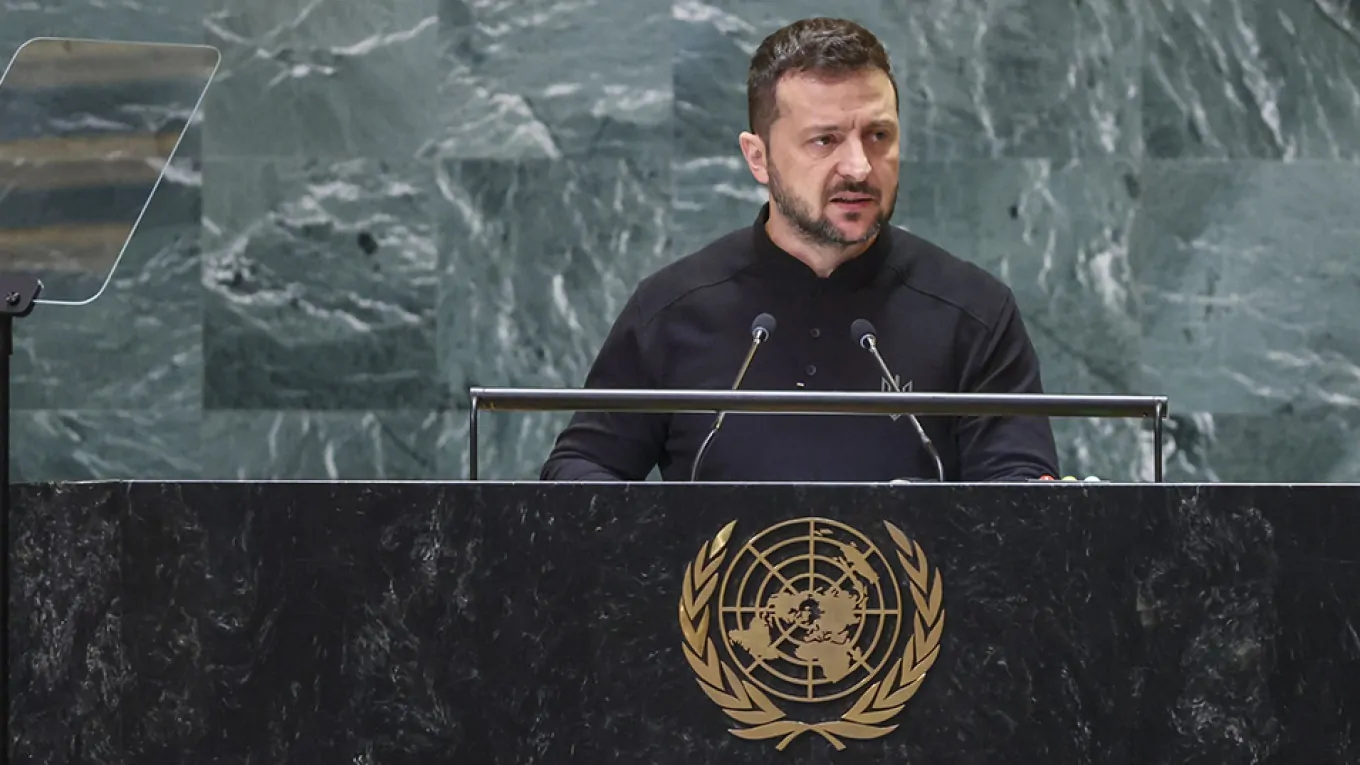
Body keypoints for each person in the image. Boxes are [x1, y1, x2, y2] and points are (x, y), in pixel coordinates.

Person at [540, 17, 1059, 483]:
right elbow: (580, 468)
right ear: (758, 157)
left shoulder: (974, 312)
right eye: (824, 140)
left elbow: (1018, 496)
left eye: (878, 135)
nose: (859, 166)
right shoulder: (672, 309)